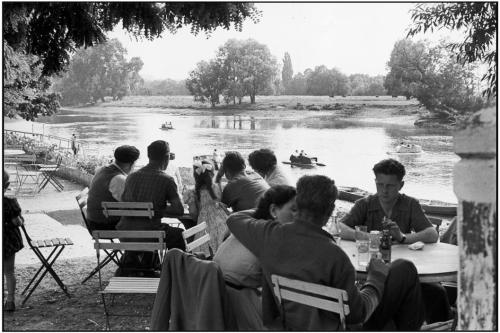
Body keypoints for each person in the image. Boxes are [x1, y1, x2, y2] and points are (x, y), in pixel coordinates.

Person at [227, 175, 425, 330]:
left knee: (419, 287)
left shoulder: (267, 235)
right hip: (338, 328)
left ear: (297, 205)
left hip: (289, 324)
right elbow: (358, 314)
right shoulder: (336, 257)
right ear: (330, 211)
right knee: (404, 269)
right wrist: (376, 277)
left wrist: (268, 211)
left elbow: (234, 218)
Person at [339, 158, 451, 323]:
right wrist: (367, 236)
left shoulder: (410, 204)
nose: (384, 191)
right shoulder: (365, 204)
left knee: (438, 293)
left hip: (406, 272)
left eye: (390, 186)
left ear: (401, 185)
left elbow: (432, 234)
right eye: (380, 184)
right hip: (372, 274)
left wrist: (403, 237)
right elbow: (340, 227)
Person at [214, 185, 297, 330]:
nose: (299, 216)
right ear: (273, 210)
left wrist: (262, 210)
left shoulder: (247, 226)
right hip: (241, 308)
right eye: (294, 210)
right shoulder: (272, 235)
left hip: (215, 300)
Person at [117, 140, 185, 251]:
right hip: (151, 233)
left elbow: (125, 202)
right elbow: (179, 210)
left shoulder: (131, 177)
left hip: (125, 232)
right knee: (179, 234)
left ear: (149, 156)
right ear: (167, 157)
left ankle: (145, 261)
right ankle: (176, 266)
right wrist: (158, 208)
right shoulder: (167, 180)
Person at [86, 145, 140, 231]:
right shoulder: (119, 179)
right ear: (132, 163)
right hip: (104, 225)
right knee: (145, 223)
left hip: (94, 221)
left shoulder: (102, 169)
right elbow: (131, 205)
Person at [185, 160, 228, 253]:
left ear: (195, 176)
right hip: (223, 224)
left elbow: (193, 213)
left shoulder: (192, 192)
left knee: (202, 247)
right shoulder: (218, 188)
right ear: (212, 174)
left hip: (203, 228)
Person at [3, 171, 25, 312]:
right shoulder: (9, 200)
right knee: (9, 271)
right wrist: (21, 219)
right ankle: (10, 301)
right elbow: (17, 222)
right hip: (7, 240)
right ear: (6, 184)